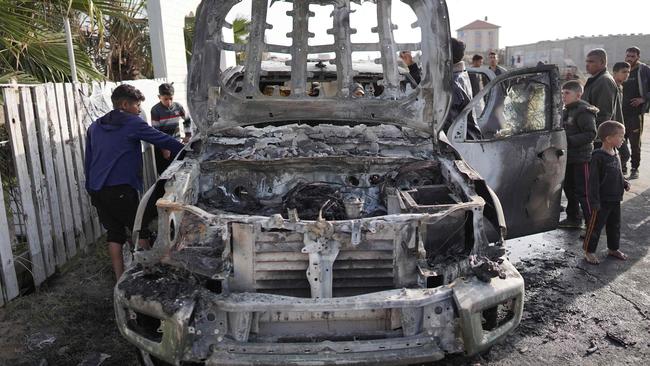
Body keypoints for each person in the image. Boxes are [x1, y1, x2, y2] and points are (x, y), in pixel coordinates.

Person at [85, 84, 184, 279]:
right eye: (137, 105)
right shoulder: (132, 123)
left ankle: (119, 279)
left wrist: (90, 187)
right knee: (140, 230)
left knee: (114, 234)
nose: (139, 110)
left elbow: (88, 160)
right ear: (124, 104)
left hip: (96, 189)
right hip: (120, 188)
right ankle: (150, 274)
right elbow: (163, 140)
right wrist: (189, 149)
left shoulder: (94, 126)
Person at [583, 121, 630, 264]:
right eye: (620, 136)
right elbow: (593, 182)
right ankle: (588, 251)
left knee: (615, 225)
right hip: (602, 200)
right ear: (609, 138)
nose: (623, 139)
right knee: (595, 227)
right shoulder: (598, 156)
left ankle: (613, 248)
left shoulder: (616, 153)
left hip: (615, 198)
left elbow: (618, 173)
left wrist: (624, 183)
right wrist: (594, 202)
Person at [558, 81, 598, 229]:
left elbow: (591, 134)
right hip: (568, 157)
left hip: (581, 158)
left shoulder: (583, 110)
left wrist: (567, 140)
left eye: (567, 93)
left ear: (578, 95)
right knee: (569, 189)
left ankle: (591, 224)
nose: (564, 96)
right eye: (562, 93)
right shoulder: (567, 109)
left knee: (584, 192)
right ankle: (573, 218)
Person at [443, 38, 481, 140]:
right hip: (470, 139)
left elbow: (445, 126)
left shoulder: (452, 85)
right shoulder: (460, 74)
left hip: (464, 146)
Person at [151, 83, 192, 175]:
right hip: (162, 146)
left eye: (171, 98)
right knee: (165, 174)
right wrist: (164, 149)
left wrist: (188, 135)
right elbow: (156, 132)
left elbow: (187, 120)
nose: (169, 102)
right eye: (165, 99)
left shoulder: (178, 107)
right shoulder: (155, 110)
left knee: (177, 171)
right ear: (159, 97)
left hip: (175, 143)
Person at [622, 46, 650, 179]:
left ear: (638, 57)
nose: (629, 58)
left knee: (634, 143)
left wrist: (643, 99)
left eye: (632, 56)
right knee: (620, 141)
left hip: (635, 114)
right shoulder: (623, 69)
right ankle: (622, 167)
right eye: (628, 56)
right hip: (621, 113)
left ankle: (634, 168)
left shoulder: (644, 70)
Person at [581, 49, 621, 139]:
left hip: (602, 138)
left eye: (591, 62)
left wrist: (597, 138)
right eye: (586, 62)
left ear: (602, 62)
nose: (587, 65)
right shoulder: (596, 80)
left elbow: (604, 114)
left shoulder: (604, 81)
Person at [612, 62, 631, 174]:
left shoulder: (620, 87)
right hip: (611, 128)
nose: (627, 74)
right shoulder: (611, 86)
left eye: (628, 72)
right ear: (615, 73)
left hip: (618, 126)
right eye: (624, 72)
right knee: (625, 154)